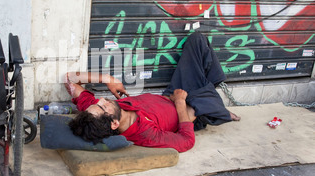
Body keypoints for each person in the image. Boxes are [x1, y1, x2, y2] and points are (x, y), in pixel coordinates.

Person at [64, 32, 240, 153]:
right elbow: (187, 141)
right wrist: (180, 102)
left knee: (197, 40)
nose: (102, 99)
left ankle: (213, 97)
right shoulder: (145, 135)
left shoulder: (96, 112)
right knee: (206, 101)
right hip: (189, 107)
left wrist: (108, 79)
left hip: (171, 93)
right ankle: (216, 109)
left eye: (98, 103)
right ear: (115, 124)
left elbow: (70, 79)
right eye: (103, 106)